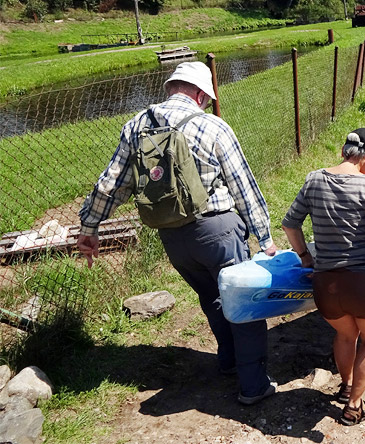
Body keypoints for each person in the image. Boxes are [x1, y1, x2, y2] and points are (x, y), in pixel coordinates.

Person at [77, 61, 278, 405]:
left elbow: (112, 184)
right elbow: (243, 186)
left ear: (171, 88)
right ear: (201, 94)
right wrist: (265, 237)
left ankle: (228, 361)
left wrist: (89, 227)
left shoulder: (137, 126)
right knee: (243, 302)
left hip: (172, 236)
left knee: (212, 297)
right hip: (218, 231)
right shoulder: (212, 126)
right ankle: (254, 386)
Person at [282, 128, 365, 426]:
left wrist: (306, 257)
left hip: (326, 285)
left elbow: (290, 224)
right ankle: (354, 405)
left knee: (345, 334)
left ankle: (345, 387)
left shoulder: (314, 179)